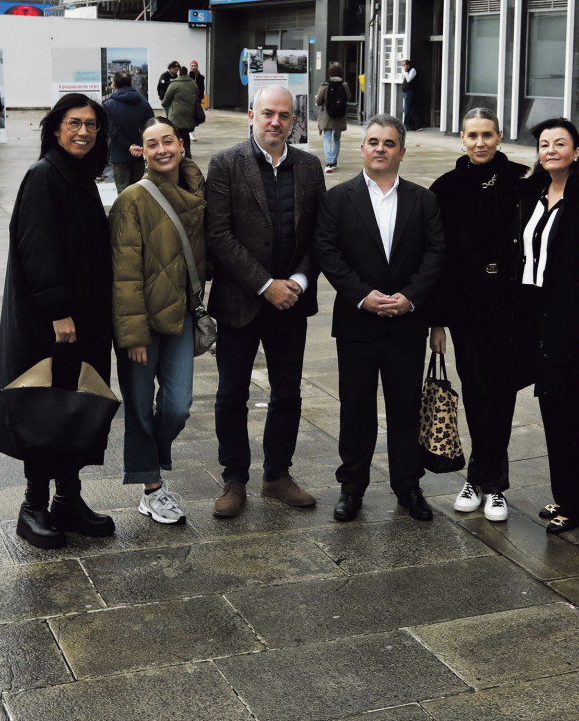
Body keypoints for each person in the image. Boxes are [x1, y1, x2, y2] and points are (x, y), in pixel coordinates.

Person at [0, 94, 115, 549]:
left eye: (91, 125)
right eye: (74, 123)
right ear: (56, 128)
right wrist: (60, 312)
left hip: (84, 320)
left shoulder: (79, 175)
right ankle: (34, 506)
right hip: (54, 323)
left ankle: (69, 499)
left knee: (73, 407)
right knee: (45, 409)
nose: (83, 132)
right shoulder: (44, 175)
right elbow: (37, 248)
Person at [313, 114, 446, 523]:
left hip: (406, 323)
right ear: (362, 148)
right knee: (356, 408)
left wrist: (410, 298)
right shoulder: (338, 198)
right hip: (358, 324)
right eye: (373, 142)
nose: (380, 149)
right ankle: (351, 488)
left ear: (402, 152)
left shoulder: (423, 200)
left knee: (404, 407)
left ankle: (408, 486)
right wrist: (360, 296)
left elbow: (435, 254)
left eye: (389, 143)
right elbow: (327, 252)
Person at [205, 85, 325, 517]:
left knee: (287, 393)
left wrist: (295, 280)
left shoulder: (310, 167)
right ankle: (234, 479)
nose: (277, 122)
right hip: (241, 301)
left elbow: (319, 234)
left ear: (295, 120)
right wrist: (263, 284)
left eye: (286, 116)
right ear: (252, 114)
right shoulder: (225, 164)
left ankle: (277, 476)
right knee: (231, 394)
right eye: (269, 113)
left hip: (291, 303)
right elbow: (217, 234)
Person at [510, 117, 579, 536]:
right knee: (554, 409)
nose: (550, 150)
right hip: (539, 315)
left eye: (560, 143)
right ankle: (567, 494)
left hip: (574, 322)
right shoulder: (533, 192)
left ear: (576, 151)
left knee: (577, 414)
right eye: (543, 144)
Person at [428, 107, 527, 522]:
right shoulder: (445, 188)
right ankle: (482, 478)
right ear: (462, 139)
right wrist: (436, 322)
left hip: (511, 306)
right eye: (472, 135)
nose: (480, 142)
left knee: (502, 393)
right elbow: (433, 257)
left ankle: (491, 483)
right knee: (476, 391)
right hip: (466, 308)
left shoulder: (523, 181)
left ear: (499, 136)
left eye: (487, 134)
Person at [109, 117, 206, 526]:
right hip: (141, 324)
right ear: (141, 152)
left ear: (181, 145)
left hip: (181, 315)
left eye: (169, 141)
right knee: (140, 407)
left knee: (178, 406)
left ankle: (150, 458)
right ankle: (152, 488)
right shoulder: (131, 199)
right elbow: (123, 273)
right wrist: (131, 335)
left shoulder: (198, 192)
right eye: (153, 144)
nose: (162, 149)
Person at [104, 71, 155, 193]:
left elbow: (112, 132)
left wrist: (129, 146)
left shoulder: (108, 105)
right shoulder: (144, 104)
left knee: (123, 193)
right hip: (140, 154)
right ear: (132, 83)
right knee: (138, 191)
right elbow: (152, 127)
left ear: (114, 85)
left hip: (119, 155)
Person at [315, 64, 351, 173]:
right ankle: (334, 161)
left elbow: (318, 101)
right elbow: (348, 97)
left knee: (327, 138)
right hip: (339, 116)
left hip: (327, 116)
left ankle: (329, 162)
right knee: (336, 138)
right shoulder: (344, 85)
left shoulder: (325, 85)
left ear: (329, 73)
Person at [162, 61, 200, 160]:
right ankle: (188, 153)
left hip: (176, 114)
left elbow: (166, 99)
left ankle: (178, 152)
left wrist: (164, 104)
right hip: (189, 113)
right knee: (186, 134)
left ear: (179, 73)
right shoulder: (192, 83)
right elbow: (197, 94)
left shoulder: (174, 84)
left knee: (176, 134)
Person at [401, 60, 421, 131]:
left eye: (404, 65)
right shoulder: (405, 71)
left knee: (406, 110)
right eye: (403, 65)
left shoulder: (412, 70)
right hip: (405, 92)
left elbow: (409, 79)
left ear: (408, 65)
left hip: (409, 92)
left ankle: (405, 125)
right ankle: (418, 124)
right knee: (410, 109)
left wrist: (406, 71)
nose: (404, 67)